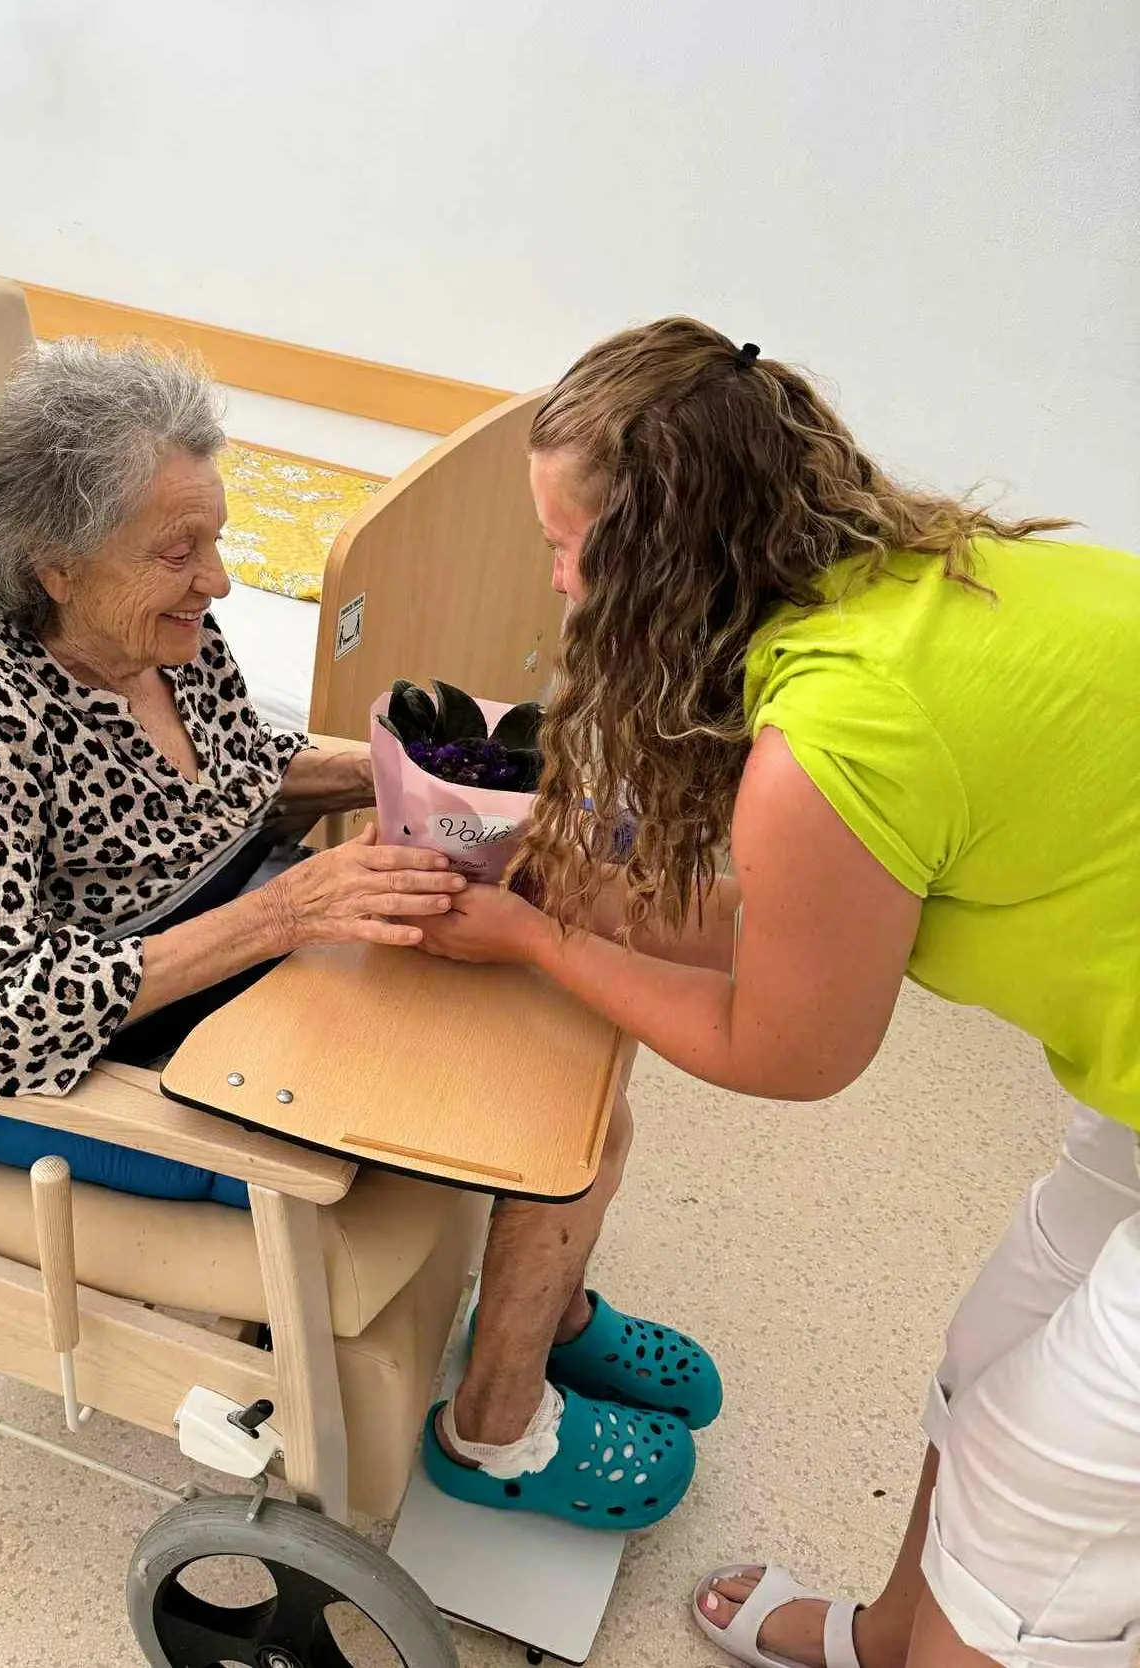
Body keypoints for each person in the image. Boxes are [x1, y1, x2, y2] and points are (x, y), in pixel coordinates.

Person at [0, 338, 719, 1519]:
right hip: (105, 1073)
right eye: (179, 551)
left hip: (248, 982)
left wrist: (412, 777)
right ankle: (495, 1432)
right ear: (55, 565)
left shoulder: (160, 639)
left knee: (568, 1050)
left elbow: (238, 776)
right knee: (534, 1101)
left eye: (215, 540)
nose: (218, 582)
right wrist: (287, 911)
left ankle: (546, 1315)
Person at [416, 317, 1140, 1668]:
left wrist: (535, 943)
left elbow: (791, 1047)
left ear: (662, 567)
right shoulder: (915, 584)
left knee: (1038, 1508)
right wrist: (565, 888)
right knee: (992, 1357)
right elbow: (798, 919)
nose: (558, 580)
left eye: (570, 549)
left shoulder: (834, 740)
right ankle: (887, 1642)